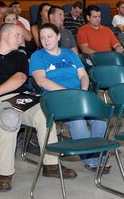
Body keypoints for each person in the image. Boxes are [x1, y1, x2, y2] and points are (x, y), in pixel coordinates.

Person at [0, 24, 76, 192]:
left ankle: (51, 165)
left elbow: (20, 78)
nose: (22, 39)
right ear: (4, 36)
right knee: (9, 117)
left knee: (45, 112)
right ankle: (5, 174)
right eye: (18, 35)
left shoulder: (19, 56)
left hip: (20, 98)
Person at [30, 23, 108, 172]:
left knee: (100, 120)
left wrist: (83, 90)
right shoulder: (37, 56)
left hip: (79, 95)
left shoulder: (70, 54)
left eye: (50, 36)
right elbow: (41, 81)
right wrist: (68, 93)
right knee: (78, 122)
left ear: (58, 37)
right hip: (56, 98)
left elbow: (83, 75)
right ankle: (91, 160)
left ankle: (98, 156)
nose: (46, 41)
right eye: (42, 38)